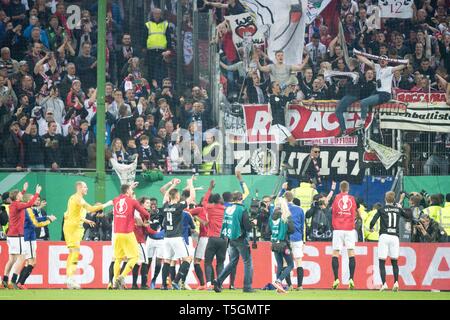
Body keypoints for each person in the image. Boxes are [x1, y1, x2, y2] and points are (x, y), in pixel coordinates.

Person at [63, 182, 112, 289]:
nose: (87, 189)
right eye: (85, 187)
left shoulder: (74, 198)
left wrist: (86, 220)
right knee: (75, 253)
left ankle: (69, 278)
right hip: (73, 228)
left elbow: (70, 214)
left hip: (71, 226)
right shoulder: (78, 198)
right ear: (79, 188)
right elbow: (91, 209)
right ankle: (70, 279)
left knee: (72, 253)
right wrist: (107, 204)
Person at [212, 192, 256, 293]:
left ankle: (218, 281)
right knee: (247, 262)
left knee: (232, 262)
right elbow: (247, 227)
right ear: (241, 199)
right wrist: (253, 223)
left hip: (231, 238)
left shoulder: (228, 208)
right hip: (240, 238)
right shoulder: (242, 209)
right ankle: (247, 287)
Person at [1, 182, 41, 289]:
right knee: (22, 257)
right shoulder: (17, 204)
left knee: (12, 259)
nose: (21, 195)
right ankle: (13, 281)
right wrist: (37, 193)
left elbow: (19, 199)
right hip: (17, 235)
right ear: (17, 196)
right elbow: (28, 204)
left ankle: (4, 280)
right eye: (20, 194)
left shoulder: (14, 204)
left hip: (11, 235)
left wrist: (23, 190)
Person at [112, 183, 151, 290]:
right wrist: (147, 219)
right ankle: (122, 276)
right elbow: (145, 213)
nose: (132, 192)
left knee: (118, 259)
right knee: (134, 257)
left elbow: (123, 197)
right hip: (128, 233)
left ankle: (115, 281)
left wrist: (130, 187)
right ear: (128, 191)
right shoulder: (133, 201)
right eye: (131, 190)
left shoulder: (115, 200)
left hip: (117, 234)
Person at [355, 52, 409, 129]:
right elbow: (366, 61)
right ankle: (373, 120)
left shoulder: (389, 69)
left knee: (363, 102)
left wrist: (405, 63)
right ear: (379, 61)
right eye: (381, 60)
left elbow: (399, 67)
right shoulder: (377, 67)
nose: (382, 61)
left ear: (387, 62)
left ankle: (362, 121)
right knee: (367, 101)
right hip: (377, 92)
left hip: (384, 94)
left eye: (384, 60)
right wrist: (357, 54)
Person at [370, 191, 410, 291]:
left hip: (384, 236)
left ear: (385, 199)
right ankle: (396, 282)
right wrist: (400, 208)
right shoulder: (398, 209)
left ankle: (384, 284)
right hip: (395, 237)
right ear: (394, 200)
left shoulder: (381, 209)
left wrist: (371, 228)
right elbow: (408, 217)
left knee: (382, 261)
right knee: (394, 261)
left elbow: (373, 221)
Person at [160, 178, 194, 290]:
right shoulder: (179, 206)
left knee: (167, 260)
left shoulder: (165, 207)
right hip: (176, 237)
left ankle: (164, 285)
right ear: (177, 197)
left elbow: (165, 197)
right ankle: (175, 281)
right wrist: (190, 183)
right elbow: (192, 198)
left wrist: (172, 185)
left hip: (166, 237)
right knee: (188, 259)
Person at [16, 195, 56, 288]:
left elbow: (35, 219)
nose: (35, 200)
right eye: (33, 199)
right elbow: (35, 223)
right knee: (32, 262)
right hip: (29, 237)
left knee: (30, 262)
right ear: (29, 201)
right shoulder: (27, 209)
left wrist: (46, 217)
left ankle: (19, 282)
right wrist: (49, 220)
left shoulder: (29, 209)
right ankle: (20, 283)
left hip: (30, 237)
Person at [331, 181, 358, 290]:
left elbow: (333, 211)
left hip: (338, 229)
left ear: (340, 188)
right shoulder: (352, 199)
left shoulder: (336, 198)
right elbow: (354, 212)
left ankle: (336, 278)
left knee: (335, 253)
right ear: (348, 188)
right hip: (349, 229)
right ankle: (351, 278)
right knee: (351, 253)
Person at [202, 180, 227, 290]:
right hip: (223, 239)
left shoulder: (210, 208)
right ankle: (219, 283)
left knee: (208, 261)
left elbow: (204, 201)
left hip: (212, 238)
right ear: (219, 200)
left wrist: (210, 189)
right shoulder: (225, 209)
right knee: (220, 263)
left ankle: (208, 283)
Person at [271, 197, 295, 294]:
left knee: (280, 264)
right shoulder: (286, 216)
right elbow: (292, 229)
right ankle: (279, 280)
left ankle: (278, 287)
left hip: (274, 243)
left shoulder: (272, 216)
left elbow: (268, 230)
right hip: (283, 244)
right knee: (290, 264)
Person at [145, 8, 171, 88]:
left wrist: (168, 49)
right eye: (155, 13)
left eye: (158, 13)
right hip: (150, 51)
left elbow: (168, 37)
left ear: (161, 14)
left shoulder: (165, 24)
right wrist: (143, 48)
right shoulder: (148, 24)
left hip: (162, 51)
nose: (157, 15)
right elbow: (144, 36)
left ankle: (162, 87)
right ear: (152, 14)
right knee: (151, 70)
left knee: (162, 70)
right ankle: (151, 88)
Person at [284, 190, 305, 291]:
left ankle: (289, 285)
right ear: (292, 198)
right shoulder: (300, 210)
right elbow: (302, 226)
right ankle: (300, 286)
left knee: (285, 262)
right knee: (299, 261)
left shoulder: (282, 209)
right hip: (297, 238)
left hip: (286, 239)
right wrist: (303, 240)